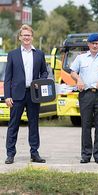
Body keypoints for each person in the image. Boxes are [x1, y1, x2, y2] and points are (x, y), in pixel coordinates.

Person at [4, 24, 48, 164]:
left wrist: (40, 81)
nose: (26, 38)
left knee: (34, 124)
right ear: (20, 37)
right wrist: (7, 96)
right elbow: (8, 78)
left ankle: (34, 153)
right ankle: (10, 154)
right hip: (16, 96)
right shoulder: (12, 54)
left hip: (34, 94)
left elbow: (45, 72)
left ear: (32, 37)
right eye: (24, 35)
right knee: (13, 125)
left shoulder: (39, 54)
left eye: (28, 35)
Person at [70, 33, 98, 164]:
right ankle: (85, 155)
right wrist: (78, 78)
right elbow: (72, 71)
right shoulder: (81, 58)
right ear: (88, 44)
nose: (95, 45)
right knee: (85, 125)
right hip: (86, 94)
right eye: (93, 43)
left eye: (97, 43)